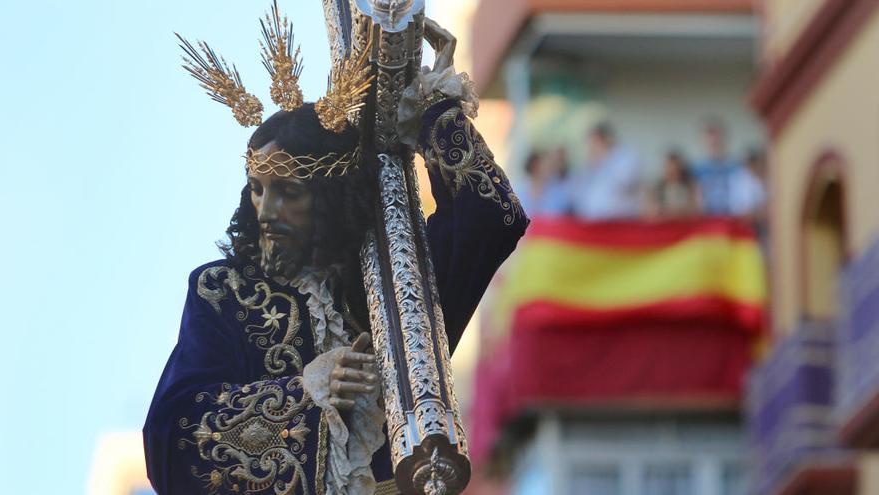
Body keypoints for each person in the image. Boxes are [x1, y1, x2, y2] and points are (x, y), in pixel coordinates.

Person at [142, 8, 527, 495]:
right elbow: (172, 439)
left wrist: (433, 112)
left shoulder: (393, 276)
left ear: (329, 197)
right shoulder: (225, 292)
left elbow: (493, 217)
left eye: (289, 192)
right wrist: (303, 391)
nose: (266, 210)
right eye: (258, 189)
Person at [568, 122, 642, 220]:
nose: (591, 147)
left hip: (619, 221)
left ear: (607, 139)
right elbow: (577, 193)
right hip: (593, 222)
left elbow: (625, 184)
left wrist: (605, 158)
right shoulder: (590, 164)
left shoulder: (627, 158)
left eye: (595, 142)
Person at [646, 150, 700, 219]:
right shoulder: (657, 187)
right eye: (669, 167)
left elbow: (696, 210)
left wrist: (676, 212)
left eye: (675, 167)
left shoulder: (690, 186)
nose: (672, 171)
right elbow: (651, 212)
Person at [516, 148, 569, 217]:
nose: (548, 168)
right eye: (543, 164)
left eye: (550, 165)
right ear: (533, 166)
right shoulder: (518, 191)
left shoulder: (559, 193)